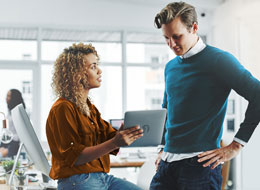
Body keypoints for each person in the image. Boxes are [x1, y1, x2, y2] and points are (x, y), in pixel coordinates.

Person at [150, 2, 260, 190]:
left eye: (177, 37)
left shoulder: (219, 60)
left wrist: (236, 145)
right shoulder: (170, 67)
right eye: (166, 38)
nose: (171, 44)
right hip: (166, 165)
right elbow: (167, 110)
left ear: (194, 27)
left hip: (200, 166)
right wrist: (161, 148)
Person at [46, 43, 143, 190]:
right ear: (76, 74)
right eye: (93, 67)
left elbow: (108, 137)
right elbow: (75, 157)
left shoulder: (89, 108)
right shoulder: (63, 108)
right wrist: (115, 142)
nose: (99, 71)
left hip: (103, 178)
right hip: (77, 180)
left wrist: (121, 134)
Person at [1, 89, 26, 158]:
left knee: (5, 157)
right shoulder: (9, 111)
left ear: (14, 98)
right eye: (7, 95)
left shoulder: (19, 112)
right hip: (7, 139)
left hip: (15, 141)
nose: (6, 98)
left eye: (9, 96)